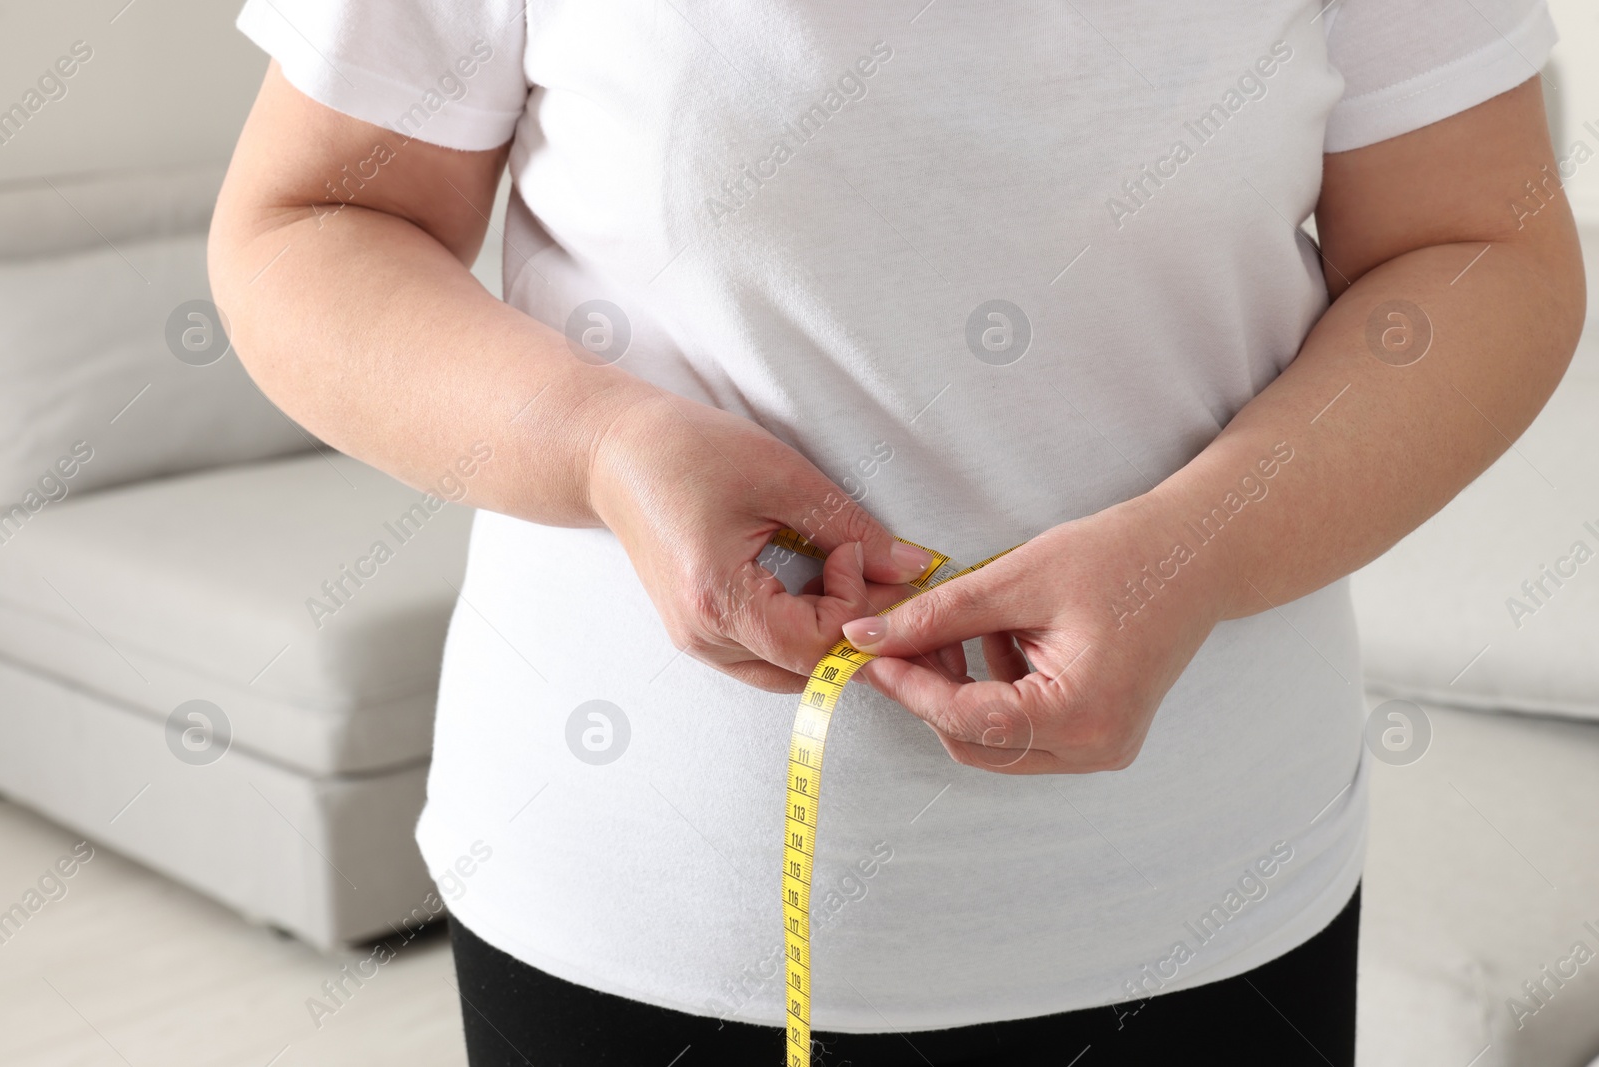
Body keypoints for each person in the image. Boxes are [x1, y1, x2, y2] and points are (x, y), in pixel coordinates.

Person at [210, 1, 1584, 1063]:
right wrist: (606, 446)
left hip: (1205, 902)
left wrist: (1200, 548)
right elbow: (312, 224)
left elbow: (1481, 246)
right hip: (638, 902)